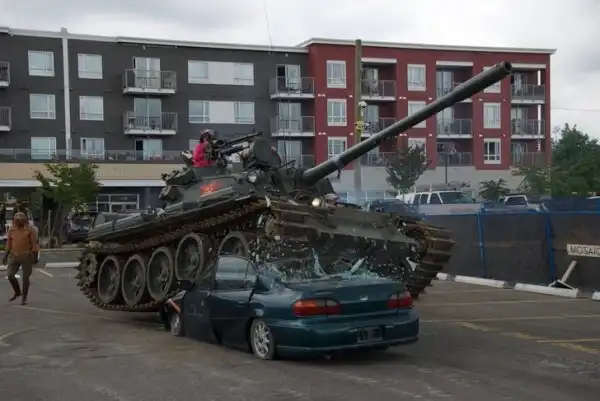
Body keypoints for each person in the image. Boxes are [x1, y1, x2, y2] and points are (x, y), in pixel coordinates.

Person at [2, 212, 39, 304]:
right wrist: (5, 256)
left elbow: (34, 245)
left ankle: (24, 297)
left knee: (26, 278)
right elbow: (9, 244)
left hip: (26, 256)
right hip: (13, 255)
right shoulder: (11, 230)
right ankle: (17, 292)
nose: (18, 222)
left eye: (20, 220)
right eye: (17, 220)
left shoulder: (30, 230)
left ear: (24, 221)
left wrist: (35, 256)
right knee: (10, 275)